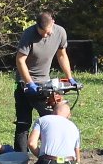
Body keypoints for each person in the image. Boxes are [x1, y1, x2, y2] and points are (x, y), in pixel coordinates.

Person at [13, 9, 76, 148]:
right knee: (23, 123)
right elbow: (20, 60)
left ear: (53, 22)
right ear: (37, 27)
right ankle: (21, 159)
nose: (47, 35)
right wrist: (29, 83)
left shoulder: (60, 32)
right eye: (43, 33)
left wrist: (69, 77)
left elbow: (62, 55)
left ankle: (52, 152)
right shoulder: (29, 34)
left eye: (48, 32)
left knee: (51, 119)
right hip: (25, 83)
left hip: (45, 84)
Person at [27, 96, 81, 164]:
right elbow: (78, 159)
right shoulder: (75, 127)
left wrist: (41, 156)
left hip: (48, 163)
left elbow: (31, 143)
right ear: (69, 115)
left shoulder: (42, 120)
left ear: (53, 112)